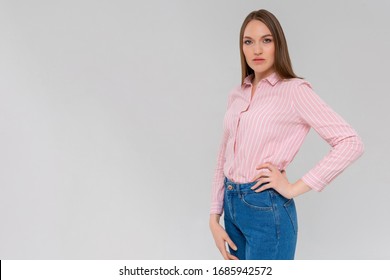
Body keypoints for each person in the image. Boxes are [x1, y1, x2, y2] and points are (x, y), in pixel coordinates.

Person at [209, 9, 364, 260]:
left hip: (266, 210)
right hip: (231, 209)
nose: (257, 49)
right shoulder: (237, 93)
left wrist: (293, 188)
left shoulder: (294, 91)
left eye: (266, 40)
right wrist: (214, 217)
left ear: (278, 45)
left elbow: (350, 142)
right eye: (248, 41)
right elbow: (223, 156)